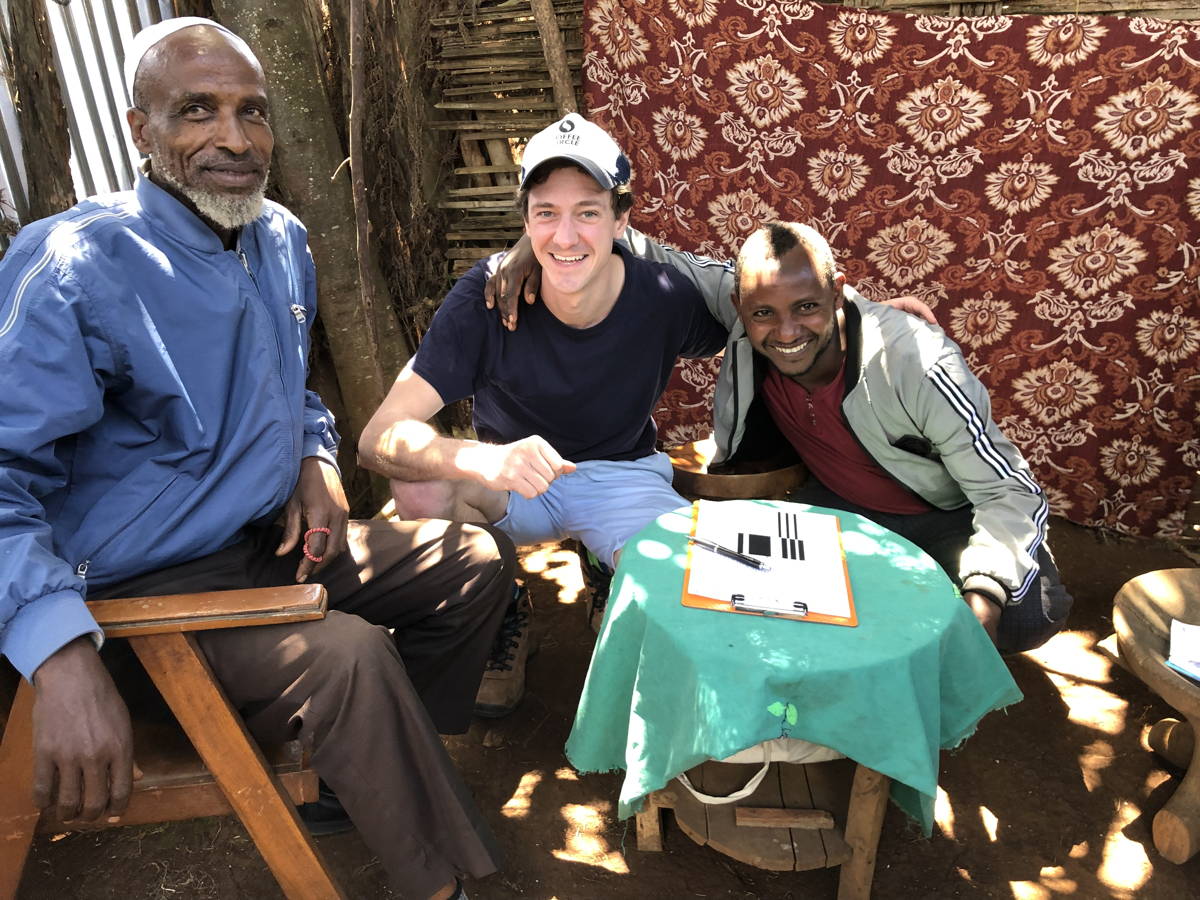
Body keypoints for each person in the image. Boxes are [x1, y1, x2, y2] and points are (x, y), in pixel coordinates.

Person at [0, 18, 513, 900]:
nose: (234, 139)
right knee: (349, 657)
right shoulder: (77, 264)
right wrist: (58, 653)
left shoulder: (278, 237)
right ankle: (440, 882)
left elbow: (291, 387)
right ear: (139, 129)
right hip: (143, 594)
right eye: (197, 111)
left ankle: (361, 787)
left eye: (252, 112)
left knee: (468, 562)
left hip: (263, 548)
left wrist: (314, 460)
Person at [359, 114, 732, 698]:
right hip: (513, 480)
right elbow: (378, 438)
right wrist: (482, 461)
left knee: (688, 599)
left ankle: (609, 567)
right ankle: (499, 603)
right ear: (526, 220)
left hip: (622, 473)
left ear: (621, 219)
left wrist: (861, 316)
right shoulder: (484, 298)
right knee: (421, 486)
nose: (565, 236)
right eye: (546, 213)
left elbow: (766, 323)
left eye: (587, 211)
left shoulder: (664, 296)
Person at [722, 223, 1071, 651]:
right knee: (756, 594)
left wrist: (985, 596)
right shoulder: (747, 342)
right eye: (763, 314)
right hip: (836, 505)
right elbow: (652, 261)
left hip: (942, 514)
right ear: (738, 308)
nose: (787, 331)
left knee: (1025, 616)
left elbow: (1008, 491)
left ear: (837, 293)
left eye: (807, 306)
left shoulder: (917, 363)